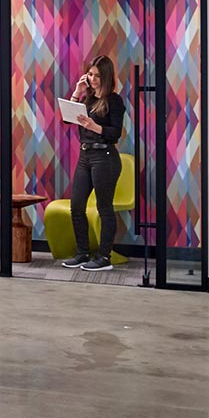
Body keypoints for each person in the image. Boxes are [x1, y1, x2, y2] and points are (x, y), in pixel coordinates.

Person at [62, 53, 126, 270]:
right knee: (76, 206)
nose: (92, 79)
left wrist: (94, 126)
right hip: (85, 156)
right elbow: (68, 119)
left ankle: (104, 257)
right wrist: (77, 92)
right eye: (90, 74)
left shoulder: (114, 101)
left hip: (105, 157)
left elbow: (115, 133)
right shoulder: (87, 99)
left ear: (106, 77)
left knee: (104, 207)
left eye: (97, 76)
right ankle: (82, 253)